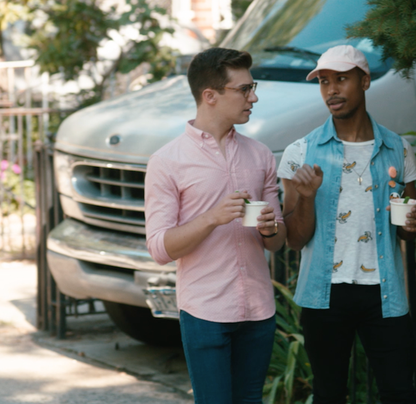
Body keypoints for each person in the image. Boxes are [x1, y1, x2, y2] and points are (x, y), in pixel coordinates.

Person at [277, 45, 416, 403]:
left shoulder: (398, 149)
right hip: (325, 294)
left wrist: (413, 225)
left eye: (341, 79)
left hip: (383, 293)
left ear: (365, 81)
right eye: (324, 82)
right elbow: (295, 239)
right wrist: (307, 196)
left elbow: (406, 229)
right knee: (329, 394)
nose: (331, 90)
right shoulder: (301, 152)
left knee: (400, 391)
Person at [145, 47, 287, 404]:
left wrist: (270, 229)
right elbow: (160, 248)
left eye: (252, 87)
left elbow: (277, 243)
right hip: (205, 311)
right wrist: (211, 218)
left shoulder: (261, 155)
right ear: (210, 96)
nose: (253, 97)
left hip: (258, 310)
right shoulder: (166, 162)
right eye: (243, 89)